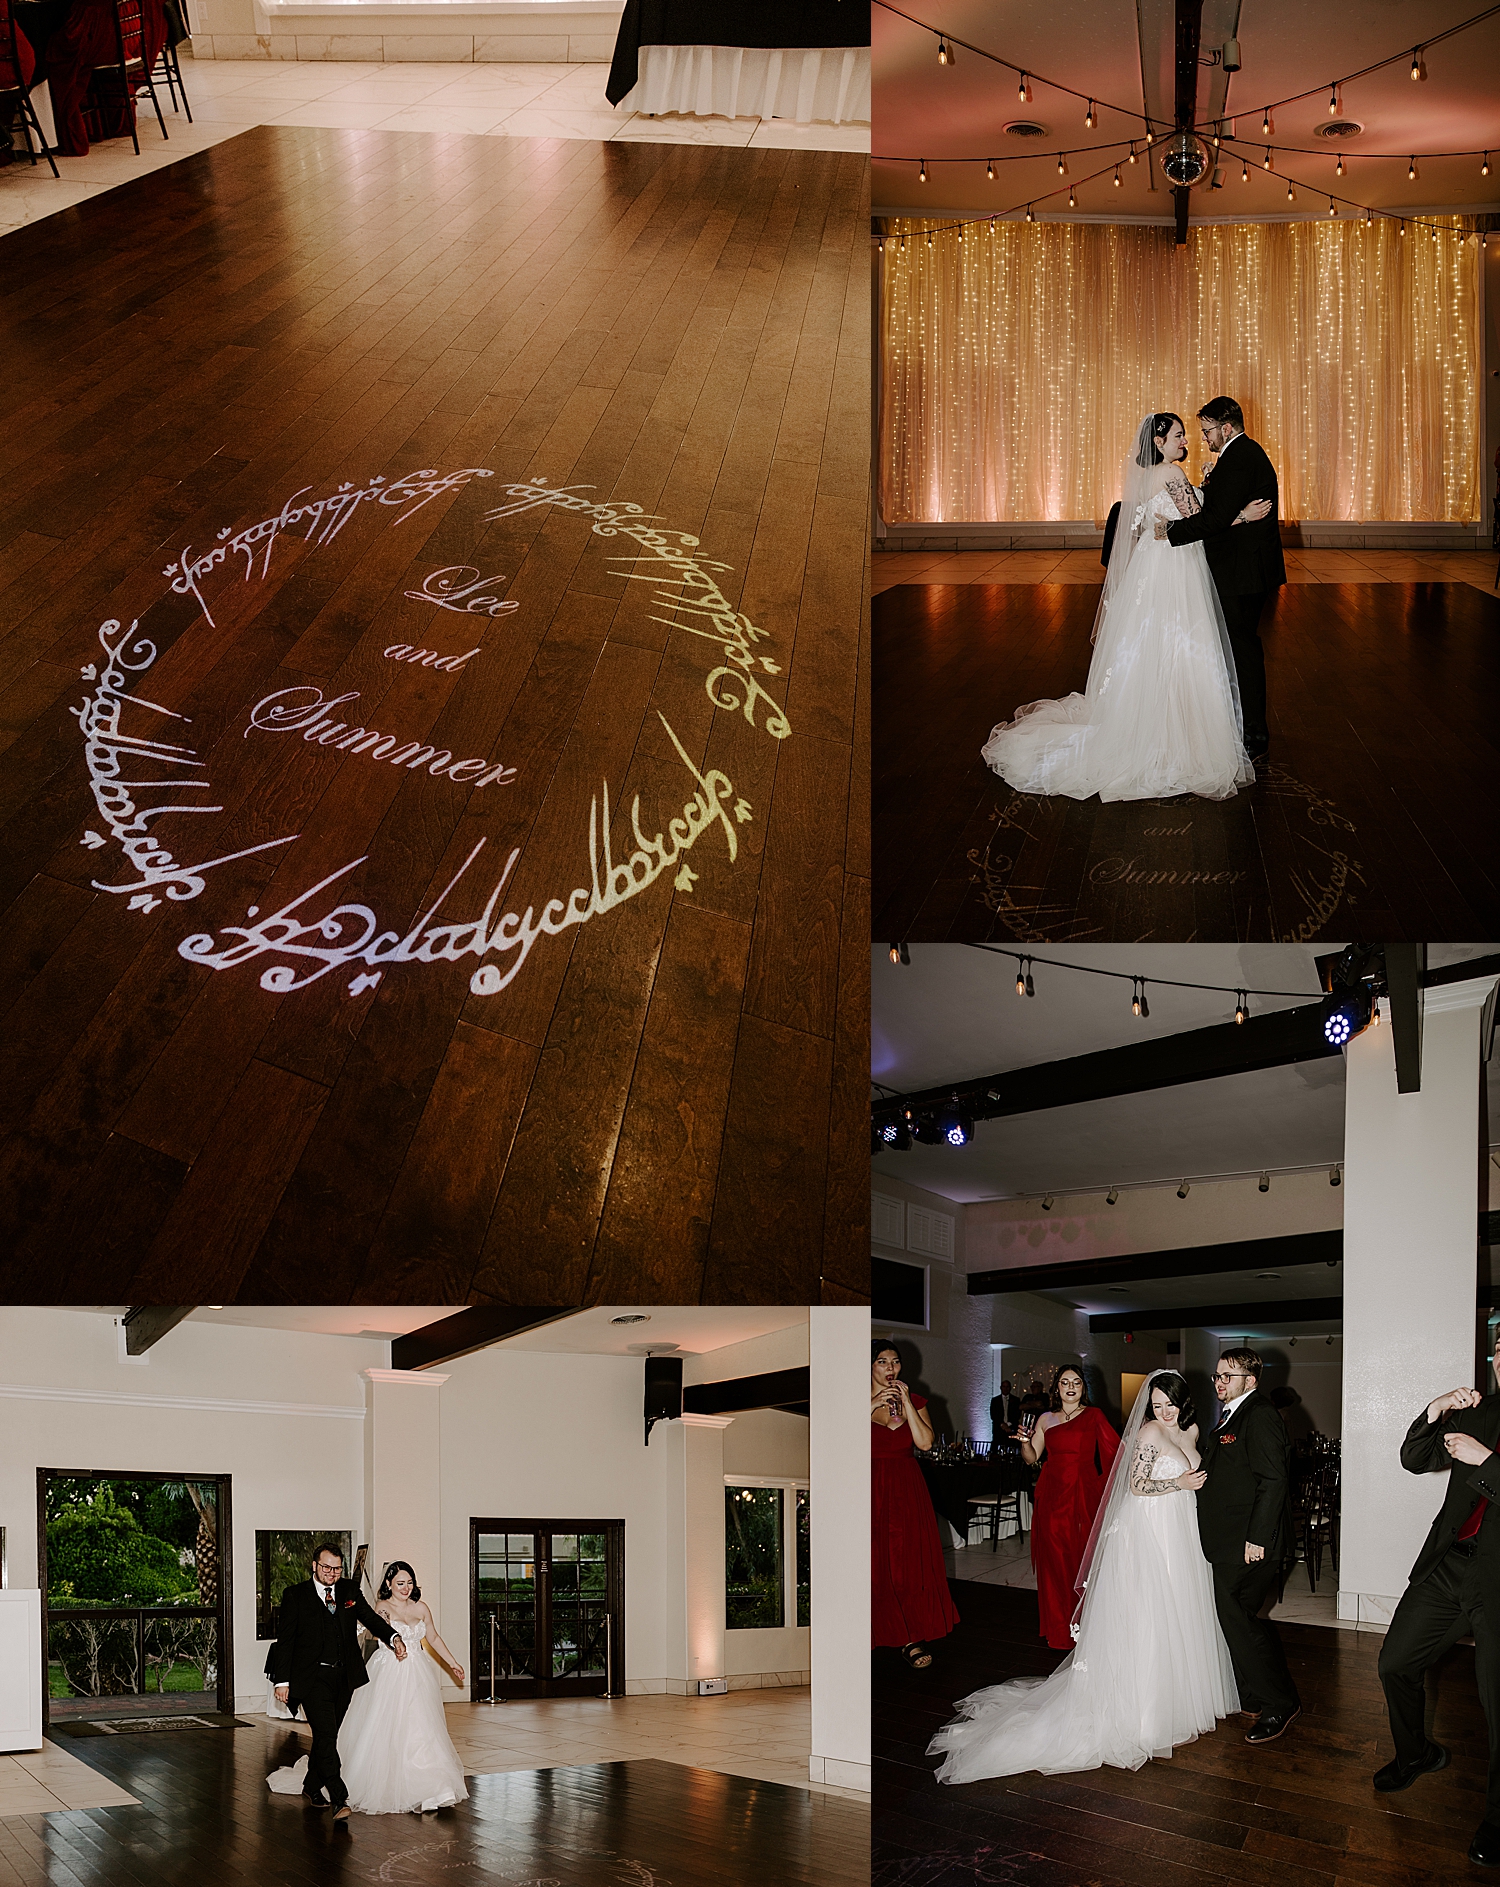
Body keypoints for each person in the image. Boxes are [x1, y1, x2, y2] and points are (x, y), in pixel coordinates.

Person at [929, 1371, 1238, 1781]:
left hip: (1180, 1531)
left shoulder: (1191, 1429)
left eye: (1171, 1404)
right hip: (1150, 1528)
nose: (1164, 1412)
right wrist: (1179, 1481)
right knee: (1149, 1615)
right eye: (1157, 1404)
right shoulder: (1148, 1432)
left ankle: (1180, 1701)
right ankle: (1145, 1713)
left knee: (1180, 1611)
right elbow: (1137, 1485)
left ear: (1184, 1404)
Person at [981, 412, 1270, 803]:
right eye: (1179, 436)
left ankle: (1140, 718)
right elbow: (1201, 521)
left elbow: (1166, 518)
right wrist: (1242, 515)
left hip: (1151, 565)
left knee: (1148, 642)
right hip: (1176, 567)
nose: (1185, 441)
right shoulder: (1169, 474)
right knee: (1181, 639)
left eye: (1187, 435)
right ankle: (1180, 727)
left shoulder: (1147, 476)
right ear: (1159, 442)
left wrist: (1202, 485)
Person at [1376, 1331, 1500, 1868]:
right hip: (1447, 1567)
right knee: (1395, 1663)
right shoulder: (1481, 1411)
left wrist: (1486, 1460)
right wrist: (1437, 1408)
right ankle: (1417, 1754)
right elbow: (1414, 1457)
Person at [271, 1559, 468, 1815]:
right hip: (388, 1673)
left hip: (417, 1674)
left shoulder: (421, 1608)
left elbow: (432, 1636)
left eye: (409, 1583)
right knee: (368, 1730)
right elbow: (370, 1628)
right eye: (400, 1583)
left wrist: (452, 1663)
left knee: (422, 1729)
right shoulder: (381, 1607)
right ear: (388, 1584)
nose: (405, 1588)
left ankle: (432, 1788)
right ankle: (341, 1793)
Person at [1160, 398, 1285, 762]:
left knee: (1243, 649)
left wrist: (1170, 532)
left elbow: (1214, 519)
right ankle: (1245, 724)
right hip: (1244, 567)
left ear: (1225, 428)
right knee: (1240, 647)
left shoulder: (1239, 457)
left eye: (1207, 431)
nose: (1205, 438)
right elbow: (1224, 507)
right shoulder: (1239, 456)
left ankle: (1255, 734)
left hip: (1244, 572)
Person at [1197, 1349, 1300, 1744]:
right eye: (1217, 1374)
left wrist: (1257, 1538)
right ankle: (1253, 1694)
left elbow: (1273, 1481)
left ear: (1250, 1380)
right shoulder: (1232, 1414)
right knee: (1237, 1618)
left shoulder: (1259, 1414)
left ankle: (1279, 1702)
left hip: (1248, 1543)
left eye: (1228, 1375)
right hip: (1228, 1540)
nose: (1220, 1381)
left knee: (1237, 1618)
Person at [267, 1542, 408, 1820]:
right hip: (312, 1678)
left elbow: (369, 1618)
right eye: (327, 1568)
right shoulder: (295, 1595)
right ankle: (339, 1797)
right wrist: (281, 1681)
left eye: (337, 1568)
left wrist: (393, 1637)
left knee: (326, 1736)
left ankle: (310, 1785)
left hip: (344, 1676)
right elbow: (286, 1641)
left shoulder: (349, 1591)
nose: (332, 1573)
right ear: (314, 1566)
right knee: (327, 1734)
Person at [872, 1341, 959, 1670]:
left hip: (907, 1487)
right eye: (882, 1361)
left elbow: (924, 1442)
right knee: (873, 1561)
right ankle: (870, 1628)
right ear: (870, 1366)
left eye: (895, 1362)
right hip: (867, 1486)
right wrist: (870, 1404)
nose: (890, 1368)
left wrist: (906, 1401)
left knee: (906, 1561)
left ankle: (910, 1635)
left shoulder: (916, 1401)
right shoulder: (851, 1401)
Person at [1019, 1365, 1120, 1650]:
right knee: (1055, 1562)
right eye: (1065, 1382)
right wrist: (1025, 1443)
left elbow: (1115, 1451)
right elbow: (1031, 1458)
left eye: (1076, 1382)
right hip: (1052, 1495)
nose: (1071, 1386)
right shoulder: (1046, 1419)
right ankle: (1060, 1627)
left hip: (1083, 1494)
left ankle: (1088, 1626)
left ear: (1082, 1388)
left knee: (1082, 1560)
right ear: (1057, 1388)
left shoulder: (1094, 1415)